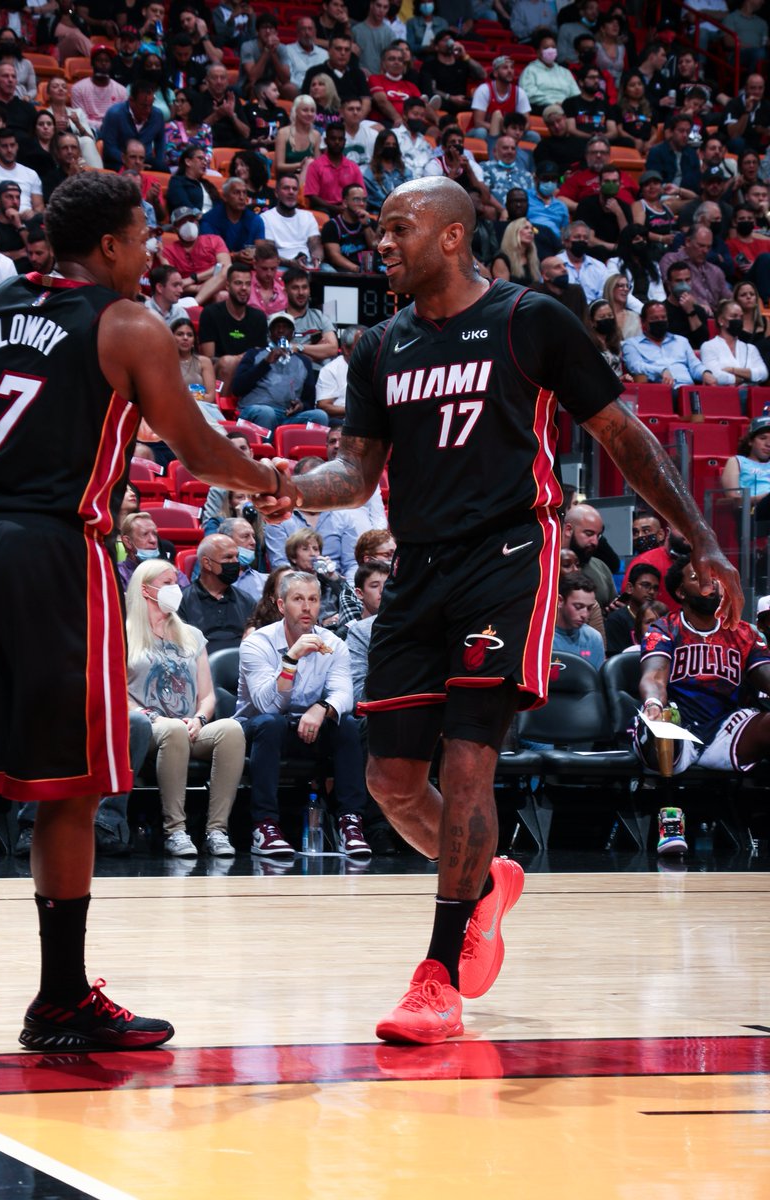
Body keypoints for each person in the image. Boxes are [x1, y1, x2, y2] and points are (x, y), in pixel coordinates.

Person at [254, 175, 741, 1045]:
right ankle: (486, 884)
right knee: (392, 783)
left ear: (451, 236)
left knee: (471, 760)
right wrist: (289, 486)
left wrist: (699, 536)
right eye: (382, 229)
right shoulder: (380, 346)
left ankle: (437, 974)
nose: (384, 244)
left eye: (399, 228)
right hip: (419, 566)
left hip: (510, 555)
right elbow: (357, 474)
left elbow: (622, 434)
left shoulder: (531, 320)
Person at [0, 171, 296, 1059]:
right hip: (51, 550)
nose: (154, 252)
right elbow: (193, 445)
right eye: (145, 237)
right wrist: (270, 480)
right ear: (111, 245)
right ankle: (61, 998)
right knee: (71, 782)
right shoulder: (127, 323)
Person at [236, 568, 372, 860]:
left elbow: (344, 694)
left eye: (313, 599)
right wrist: (291, 658)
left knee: (347, 725)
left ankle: (350, 822)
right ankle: (265, 826)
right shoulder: (256, 644)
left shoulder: (333, 643)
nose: (307, 607)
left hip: (308, 727)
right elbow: (266, 705)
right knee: (270, 724)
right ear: (282, 605)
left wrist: (321, 708)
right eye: (298, 599)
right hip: (257, 730)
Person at [126, 557, 245, 859]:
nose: (176, 588)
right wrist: (143, 713)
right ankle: (175, 831)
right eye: (167, 583)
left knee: (231, 729)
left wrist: (201, 718)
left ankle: (216, 830)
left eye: (176, 582)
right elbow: (113, 689)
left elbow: (207, 695)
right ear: (145, 590)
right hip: (146, 727)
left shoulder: (191, 635)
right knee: (173, 729)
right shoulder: (124, 633)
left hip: (188, 726)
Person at [635, 557, 770, 816]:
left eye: (716, 578)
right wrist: (653, 703)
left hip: (726, 728)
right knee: (663, 722)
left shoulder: (745, 633)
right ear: (680, 591)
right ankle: (669, 819)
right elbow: (653, 676)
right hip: (677, 723)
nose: (711, 584)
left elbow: (766, 675)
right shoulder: (663, 628)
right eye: (698, 578)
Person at [177, 532, 256, 655]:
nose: (236, 562)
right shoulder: (181, 601)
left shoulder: (246, 600)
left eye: (237, 557)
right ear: (207, 563)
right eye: (228, 557)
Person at [197, 263, 269, 392]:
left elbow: (259, 356)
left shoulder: (259, 317)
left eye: (247, 284)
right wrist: (236, 359)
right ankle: (221, 408)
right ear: (227, 286)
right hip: (217, 370)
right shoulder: (210, 313)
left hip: (247, 372)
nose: (244, 288)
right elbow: (209, 358)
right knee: (228, 363)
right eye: (238, 283)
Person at [622, 301, 718, 386]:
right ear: (643, 322)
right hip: (659, 391)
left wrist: (705, 373)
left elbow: (694, 365)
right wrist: (661, 370)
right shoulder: (631, 344)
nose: (660, 321)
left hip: (687, 389)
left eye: (663, 317)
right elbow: (636, 366)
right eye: (654, 318)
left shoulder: (681, 341)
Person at [702, 297, 769, 387]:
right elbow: (716, 376)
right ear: (721, 320)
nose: (738, 320)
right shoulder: (709, 346)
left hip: (751, 394)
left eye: (741, 317)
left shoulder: (750, 348)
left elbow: (763, 374)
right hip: (725, 395)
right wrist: (744, 378)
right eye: (734, 316)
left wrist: (732, 370)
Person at [261, 175, 323, 268]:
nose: (291, 192)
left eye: (294, 189)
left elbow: (315, 245)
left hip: (308, 264)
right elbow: (268, 251)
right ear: (276, 193)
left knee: (332, 277)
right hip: (281, 265)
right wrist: (291, 263)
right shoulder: (265, 218)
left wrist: (317, 260)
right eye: (286, 188)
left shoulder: (307, 216)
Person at [605, 562, 661, 656]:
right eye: (646, 585)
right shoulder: (616, 620)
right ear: (630, 588)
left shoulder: (660, 618)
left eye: (655, 588)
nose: (651, 592)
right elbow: (615, 660)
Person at [721, 413, 770, 518]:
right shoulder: (737, 461)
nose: (768, 444)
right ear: (750, 441)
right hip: (751, 514)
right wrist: (765, 498)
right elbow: (733, 501)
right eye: (762, 438)